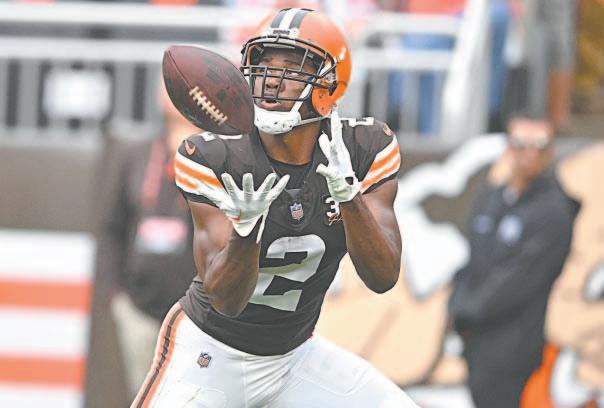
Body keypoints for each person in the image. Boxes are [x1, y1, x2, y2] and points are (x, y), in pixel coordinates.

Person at [132, 7, 417, 407]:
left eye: (290, 68)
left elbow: (383, 277)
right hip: (211, 351)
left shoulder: (363, 148)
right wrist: (246, 231)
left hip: (294, 357)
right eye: (264, 65)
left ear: (328, 81)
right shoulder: (214, 156)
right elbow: (226, 301)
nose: (271, 80)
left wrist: (348, 196)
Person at [447, 114, 580, 408]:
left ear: (551, 151)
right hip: (478, 344)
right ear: (508, 147)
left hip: (515, 347)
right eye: (520, 144)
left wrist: (468, 311)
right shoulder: (491, 198)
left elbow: (518, 280)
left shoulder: (554, 211)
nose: (530, 153)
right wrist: (455, 308)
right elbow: (471, 261)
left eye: (540, 145)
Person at [96, 83, 199, 399]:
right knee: (144, 396)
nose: (175, 96)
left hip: (195, 314)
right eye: (170, 86)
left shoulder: (216, 158)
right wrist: (116, 296)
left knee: (189, 397)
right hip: (138, 307)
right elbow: (112, 227)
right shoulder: (138, 155)